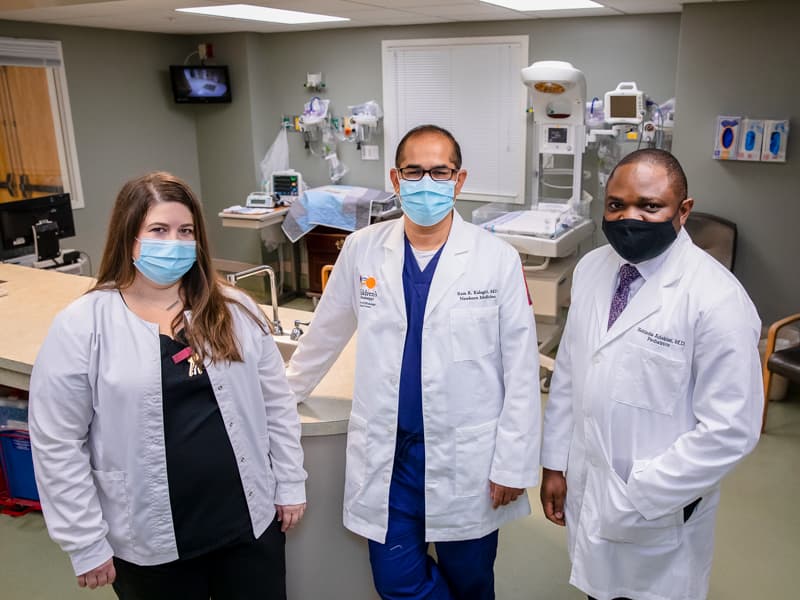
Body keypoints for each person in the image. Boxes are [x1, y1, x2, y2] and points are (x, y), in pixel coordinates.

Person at [286, 124, 541, 599]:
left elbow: (522, 372)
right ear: (395, 178)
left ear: (459, 180)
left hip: (470, 457)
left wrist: (512, 463)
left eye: (439, 172)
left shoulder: (496, 259)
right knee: (397, 582)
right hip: (392, 457)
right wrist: (280, 397)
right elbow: (323, 336)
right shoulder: (363, 250)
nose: (427, 182)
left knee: (471, 581)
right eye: (414, 171)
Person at [29, 172, 307, 599]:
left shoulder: (234, 309)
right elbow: (57, 441)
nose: (174, 242)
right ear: (129, 237)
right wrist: (84, 541)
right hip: (150, 544)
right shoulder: (84, 325)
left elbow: (277, 406)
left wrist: (289, 483)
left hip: (248, 526)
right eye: (158, 230)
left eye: (186, 231)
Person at [540, 149, 763, 600]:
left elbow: (731, 429)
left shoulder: (716, 299)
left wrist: (643, 492)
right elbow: (569, 374)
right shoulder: (591, 269)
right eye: (616, 205)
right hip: (587, 483)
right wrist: (555, 462)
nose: (629, 217)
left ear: (683, 211)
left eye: (650, 206)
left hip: (657, 508)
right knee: (596, 590)